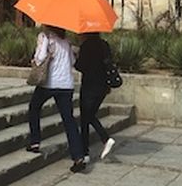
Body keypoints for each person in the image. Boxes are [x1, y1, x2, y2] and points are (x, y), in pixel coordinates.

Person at [26, 26, 86, 173]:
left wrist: (40, 49)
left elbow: (39, 59)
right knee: (69, 120)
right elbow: (72, 62)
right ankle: (78, 156)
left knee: (34, 108)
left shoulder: (45, 37)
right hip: (66, 85)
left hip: (49, 83)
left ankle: (35, 141)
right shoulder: (66, 41)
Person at [74, 32, 116, 162]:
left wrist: (75, 57)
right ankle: (86, 152)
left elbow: (80, 66)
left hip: (89, 86)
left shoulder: (86, 46)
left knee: (86, 117)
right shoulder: (104, 45)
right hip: (103, 87)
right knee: (88, 117)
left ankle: (104, 139)